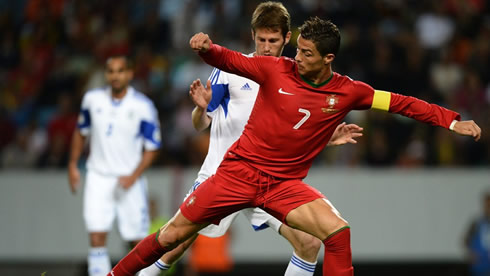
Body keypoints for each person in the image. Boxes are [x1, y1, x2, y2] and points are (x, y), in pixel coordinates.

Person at [108, 17, 482, 276]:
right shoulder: (276, 70)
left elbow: (401, 103)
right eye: (297, 49)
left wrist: (450, 120)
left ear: (328, 59)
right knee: (172, 236)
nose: (295, 58)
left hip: (283, 185)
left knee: (336, 233)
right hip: (237, 173)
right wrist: (207, 49)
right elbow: (230, 59)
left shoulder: (349, 91)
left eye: (305, 53)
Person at [139, 3, 363, 276]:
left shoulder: (298, 78)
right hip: (223, 174)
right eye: (261, 40)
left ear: (286, 38)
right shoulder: (232, 70)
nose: (266, 47)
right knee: (176, 242)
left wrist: (326, 137)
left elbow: (295, 132)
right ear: (253, 36)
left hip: (269, 179)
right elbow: (201, 125)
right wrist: (200, 108)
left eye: (273, 41)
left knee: (309, 242)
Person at [68, 55, 161, 276]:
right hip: (98, 177)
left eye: (120, 71)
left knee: (136, 240)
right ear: (106, 75)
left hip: (129, 179)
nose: (115, 76)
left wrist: (134, 175)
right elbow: (81, 132)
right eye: (111, 71)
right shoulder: (92, 100)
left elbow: (152, 147)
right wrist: (72, 164)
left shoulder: (142, 106)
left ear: (129, 74)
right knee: (96, 236)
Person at [464, 191, 490, 276]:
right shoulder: (477, 223)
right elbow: (466, 240)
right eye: (486, 205)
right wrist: (471, 253)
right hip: (480, 268)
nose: (488, 207)